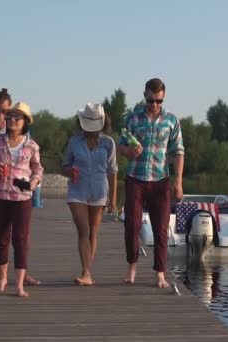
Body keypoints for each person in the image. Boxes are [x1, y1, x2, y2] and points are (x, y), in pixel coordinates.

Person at [117, 78, 184, 288]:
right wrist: (129, 151)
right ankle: (132, 266)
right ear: (145, 95)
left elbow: (178, 152)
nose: (155, 105)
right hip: (135, 178)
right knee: (132, 225)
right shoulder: (132, 119)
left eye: (159, 101)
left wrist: (178, 181)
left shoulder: (171, 121)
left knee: (161, 228)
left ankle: (160, 274)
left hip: (160, 180)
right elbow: (121, 146)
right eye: (152, 100)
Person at [0, 89, 40, 287]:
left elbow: (36, 167)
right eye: (7, 115)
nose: (6, 118)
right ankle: (1, 276)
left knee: (21, 237)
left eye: (12, 115)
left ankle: (21, 281)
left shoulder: (30, 142)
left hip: (21, 196)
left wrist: (34, 183)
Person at [62, 103, 117, 286]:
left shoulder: (108, 143)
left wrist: (113, 200)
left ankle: (87, 271)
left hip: (99, 191)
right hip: (77, 190)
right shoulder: (74, 142)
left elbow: (112, 171)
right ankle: (86, 272)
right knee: (83, 230)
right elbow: (64, 166)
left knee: (93, 232)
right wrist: (70, 171)